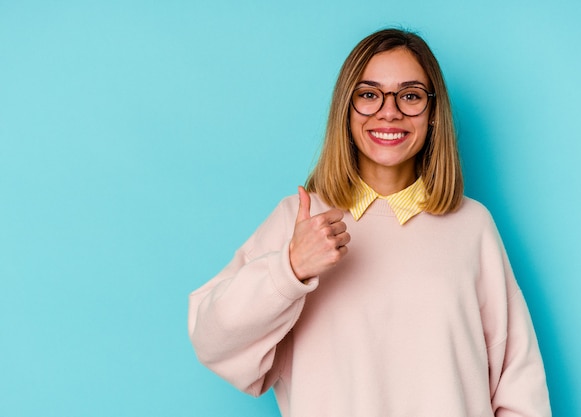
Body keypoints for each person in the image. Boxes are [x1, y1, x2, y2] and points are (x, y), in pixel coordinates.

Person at [188, 28, 551, 417]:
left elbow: (519, 385)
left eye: (410, 95)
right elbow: (212, 341)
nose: (389, 111)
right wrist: (289, 269)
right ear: (346, 110)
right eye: (369, 95)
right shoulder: (300, 221)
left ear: (433, 115)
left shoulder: (472, 225)